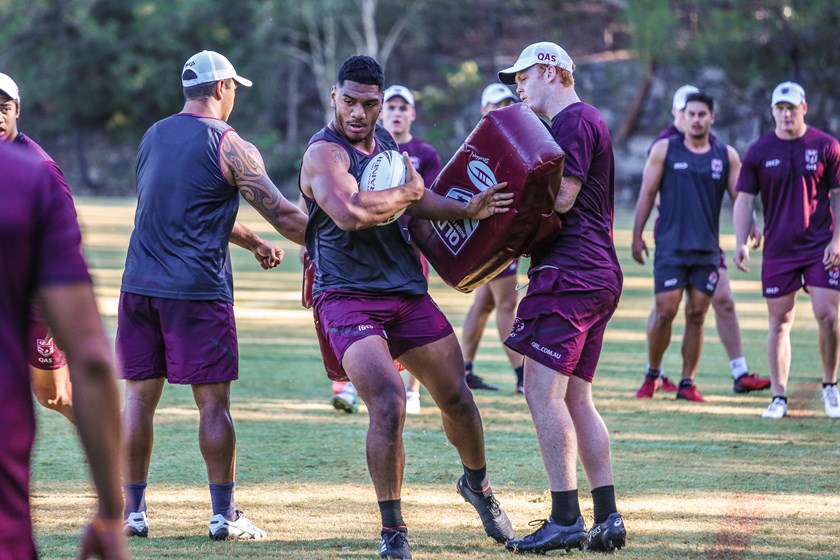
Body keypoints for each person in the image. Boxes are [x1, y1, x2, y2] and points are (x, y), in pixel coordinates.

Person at [299, 54, 515, 559]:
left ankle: (477, 487)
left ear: (381, 105)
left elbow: (415, 201)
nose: (357, 113)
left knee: (457, 395)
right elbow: (352, 212)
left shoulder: (388, 144)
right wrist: (408, 189)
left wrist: (464, 208)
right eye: (349, 101)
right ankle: (393, 531)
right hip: (346, 297)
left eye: (369, 104)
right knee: (390, 401)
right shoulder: (322, 156)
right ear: (334, 96)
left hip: (404, 291)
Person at [118, 50, 307, 540]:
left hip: (138, 286)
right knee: (212, 406)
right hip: (197, 292)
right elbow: (284, 213)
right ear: (222, 88)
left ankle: (132, 514)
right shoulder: (230, 144)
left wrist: (253, 243)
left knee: (139, 400)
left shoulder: (153, 136)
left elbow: (188, 208)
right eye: (235, 89)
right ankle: (224, 515)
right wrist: (345, 240)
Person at [498, 41, 626, 553]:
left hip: (570, 272)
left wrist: (503, 212)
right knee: (576, 397)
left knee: (540, 392)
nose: (518, 86)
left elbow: (565, 197)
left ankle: (566, 518)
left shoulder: (572, 120)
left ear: (551, 70)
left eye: (523, 76)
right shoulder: (583, 120)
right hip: (595, 272)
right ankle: (608, 517)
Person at [0, 141, 127, 559]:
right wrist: (110, 512)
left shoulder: (39, 169)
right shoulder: (26, 177)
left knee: (53, 393)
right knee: (52, 393)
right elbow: (91, 361)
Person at [635, 84, 769, 398]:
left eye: (701, 114)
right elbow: (647, 194)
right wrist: (637, 235)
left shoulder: (726, 155)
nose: (695, 119)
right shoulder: (665, 148)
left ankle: (687, 382)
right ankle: (653, 373)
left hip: (707, 249)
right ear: (680, 115)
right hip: (671, 247)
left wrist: (751, 224)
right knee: (665, 310)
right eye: (690, 114)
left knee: (698, 314)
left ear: (712, 118)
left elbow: (742, 198)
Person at [733, 81, 840, 419]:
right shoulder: (759, 151)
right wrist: (740, 241)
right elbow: (745, 199)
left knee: (828, 315)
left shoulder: (827, 146)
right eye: (780, 108)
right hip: (779, 249)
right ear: (773, 112)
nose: (786, 113)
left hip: (820, 246)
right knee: (780, 321)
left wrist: (838, 241)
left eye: (792, 107)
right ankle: (779, 397)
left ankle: (830, 386)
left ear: (803, 108)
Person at [0, 72, 76, 423]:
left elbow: (67, 238)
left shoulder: (39, 166)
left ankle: (118, 450)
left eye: (4, 108)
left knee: (54, 395)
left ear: (18, 111)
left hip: (32, 299)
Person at [380, 84, 442, 414]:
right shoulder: (371, 149)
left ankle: (413, 389)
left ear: (413, 115)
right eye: (391, 107)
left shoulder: (425, 153)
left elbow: (431, 200)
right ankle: (362, 386)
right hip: (375, 246)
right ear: (382, 112)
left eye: (403, 108)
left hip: (411, 247)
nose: (397, 113)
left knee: (413, 317)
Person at [460, 83, 525, 393]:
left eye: (508, 104)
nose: (503, 110)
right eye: (496, 105)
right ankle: (523, 376)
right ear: (484, 110)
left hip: (500, 232)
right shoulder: (482, 144)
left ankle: (465, 369)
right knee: (507, 302)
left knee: (484, 303)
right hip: (495, 235)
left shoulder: (513, 140)